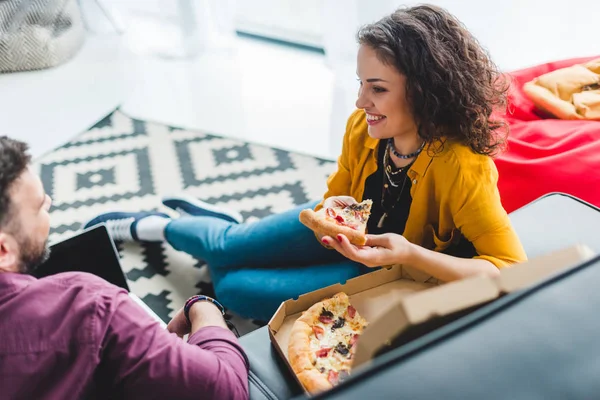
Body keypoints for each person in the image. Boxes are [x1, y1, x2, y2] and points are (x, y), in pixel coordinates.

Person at [86, 5, 527, 322]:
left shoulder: (463, 167)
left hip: (390, 268)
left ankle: (219, 228)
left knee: (232, 286)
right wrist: (329, 223)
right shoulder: (363, 127)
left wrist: (410, 253)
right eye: (360, 83)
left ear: (425, 91)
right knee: (226, 249)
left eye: (376, 88)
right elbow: (340, 191)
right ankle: (153, 226)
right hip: (347, 235)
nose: (359, 101)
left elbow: (509, 268)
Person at [0, 137, 249, 399]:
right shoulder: (90, 306)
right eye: (40, 206)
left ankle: (184, 231)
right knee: (231, 275)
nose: (49, 202)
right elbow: (228, 390)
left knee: (233, 283)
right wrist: (202, 306)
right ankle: (180, 229)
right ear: (3, 250)